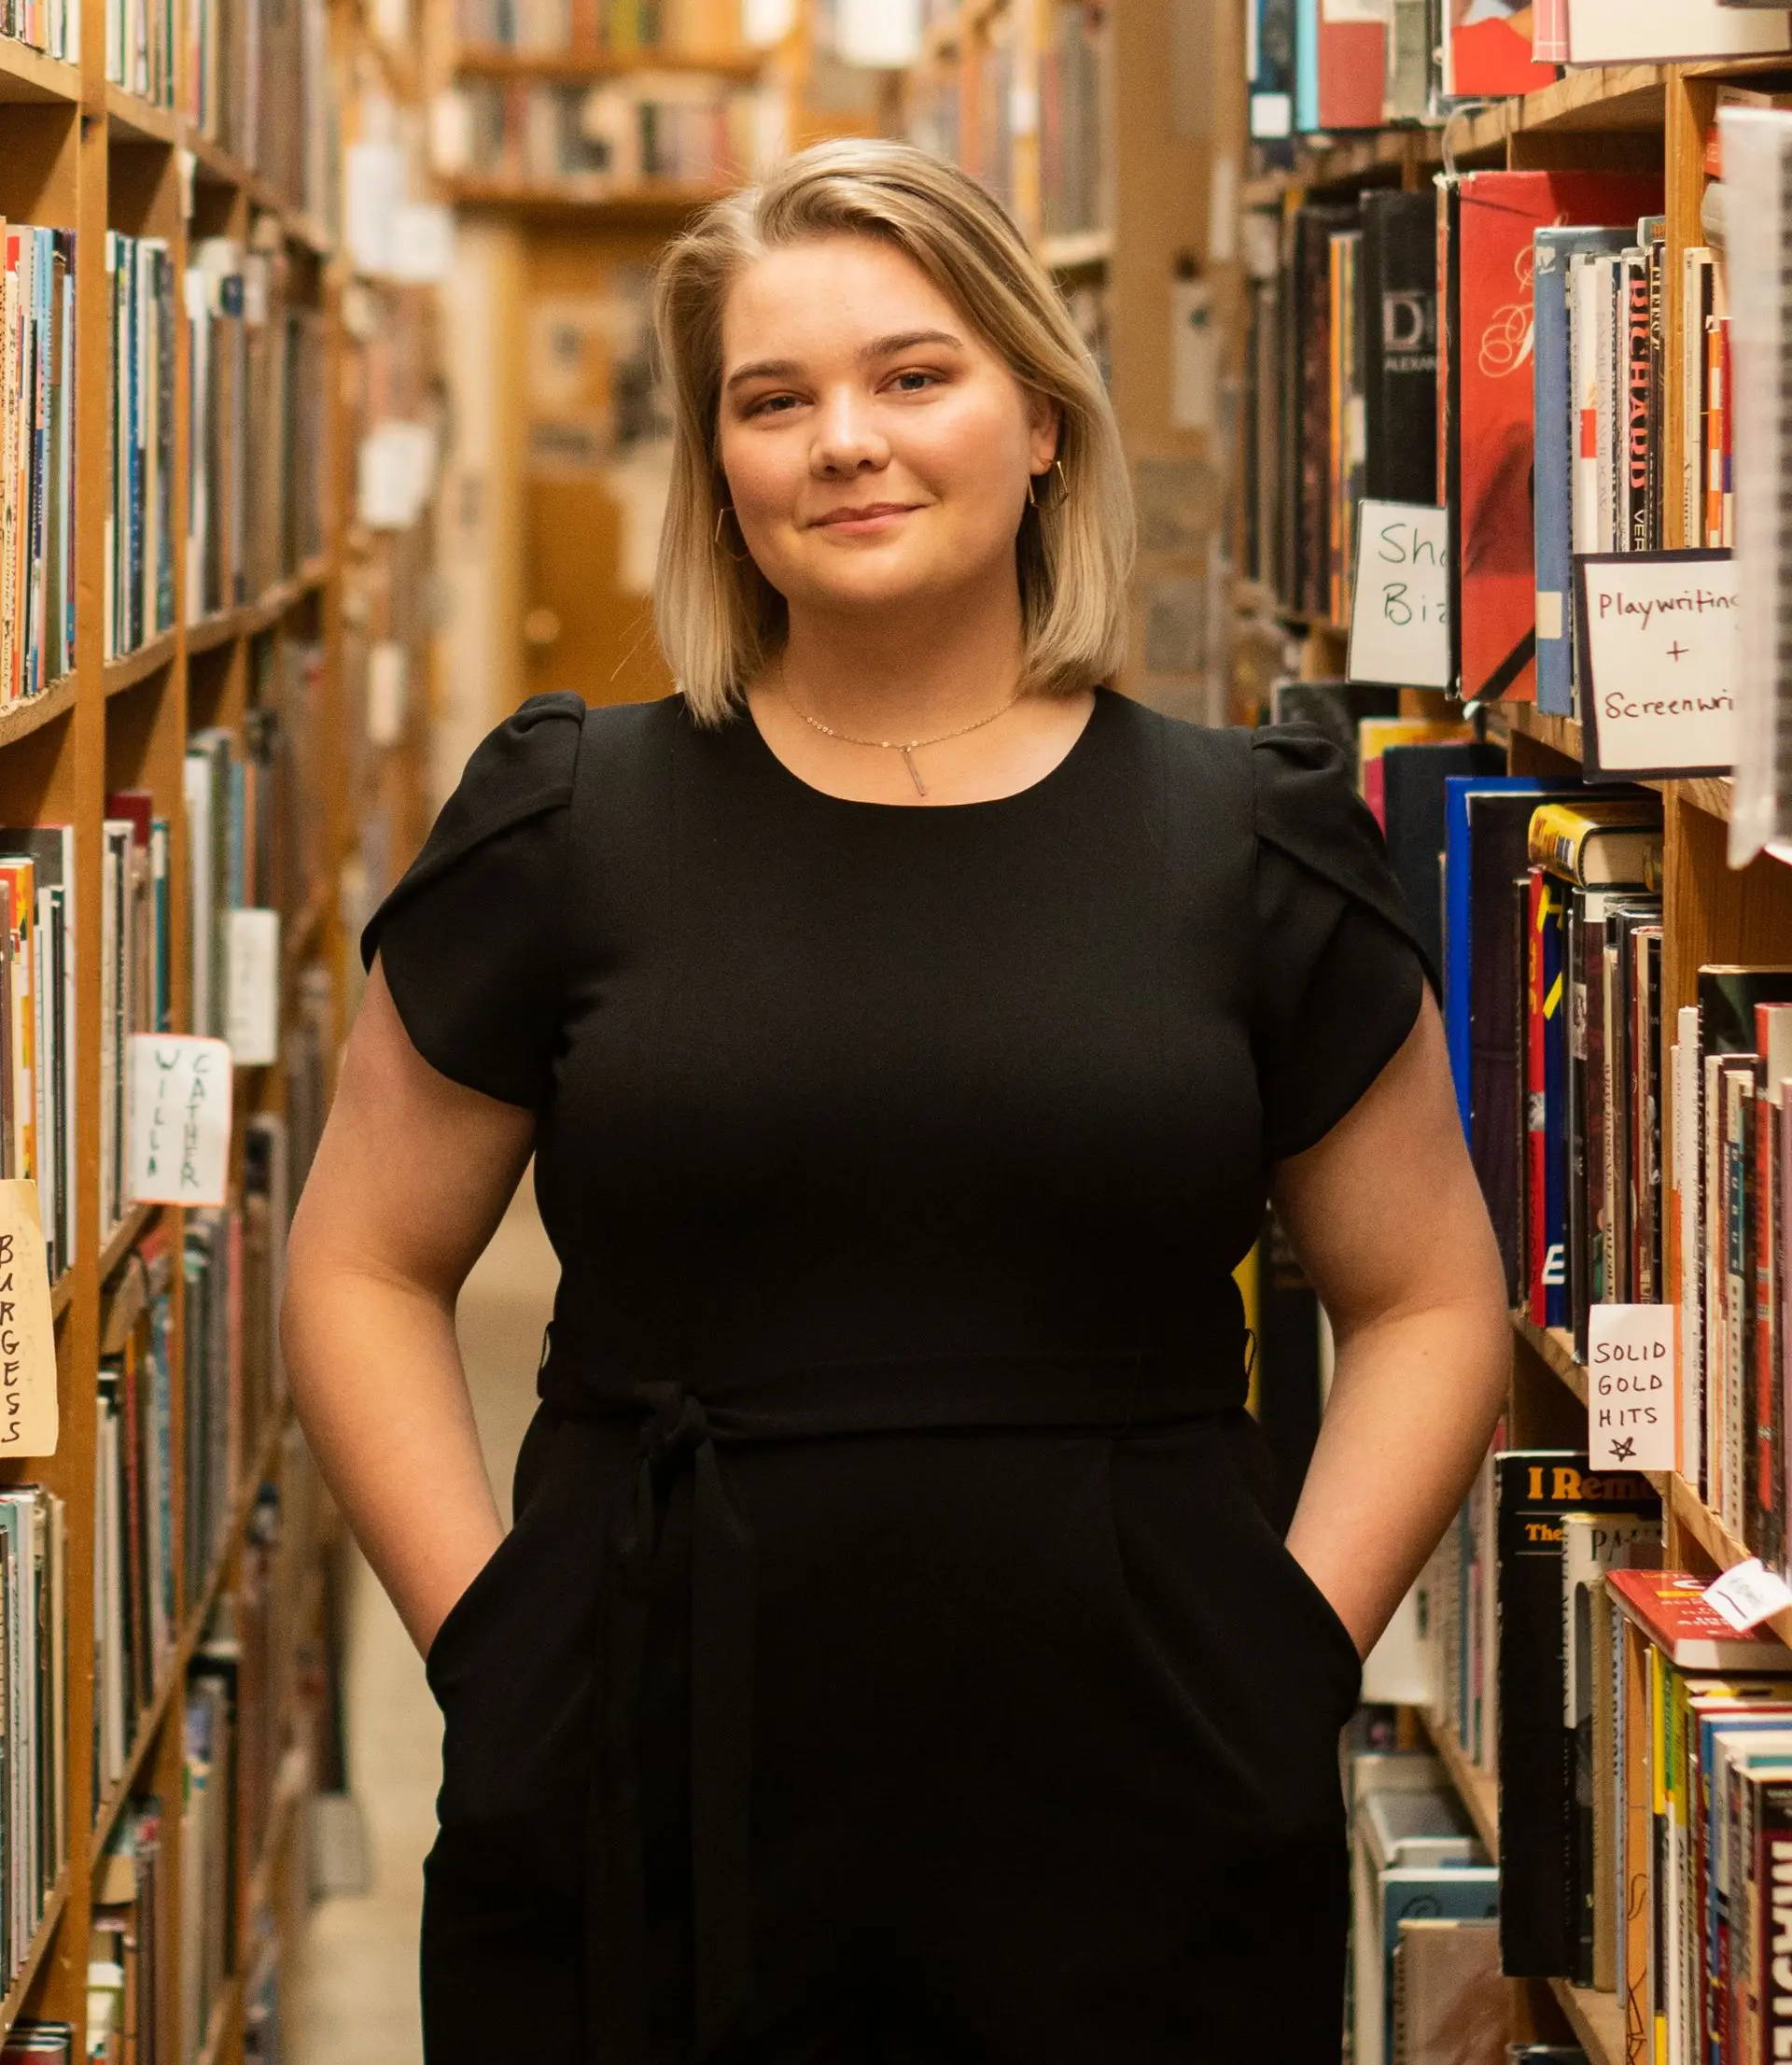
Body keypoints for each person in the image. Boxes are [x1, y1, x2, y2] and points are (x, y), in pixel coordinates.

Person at [281, 139, 1510, 2064]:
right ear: (719, 469)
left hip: (1143, 1795)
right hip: (640, 1773)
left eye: (911, 375)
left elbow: (1433, 1296)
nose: (843, 439)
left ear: (1039, 416)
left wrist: (1289, 1654)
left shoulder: (1246, 840)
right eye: (774, 401)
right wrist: (495, 1647)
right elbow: (360, 1255)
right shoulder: (567, 822)